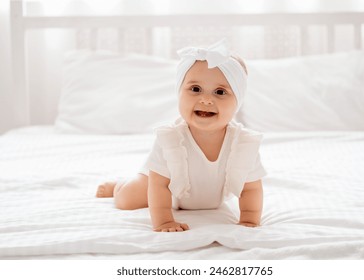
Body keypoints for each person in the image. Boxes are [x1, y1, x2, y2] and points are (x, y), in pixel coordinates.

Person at [96, 39, 267, 232]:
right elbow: (159, 185)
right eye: (195, 89)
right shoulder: (170, 139)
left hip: (212, 198)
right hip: (167, 187)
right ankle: (118, 185)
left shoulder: (244, 144)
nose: (206, 99)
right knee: (126, 200)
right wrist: (164, 221)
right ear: (179, 93)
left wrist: (249, 220)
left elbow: (251, 188)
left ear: (238, 102)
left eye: (220, 92)